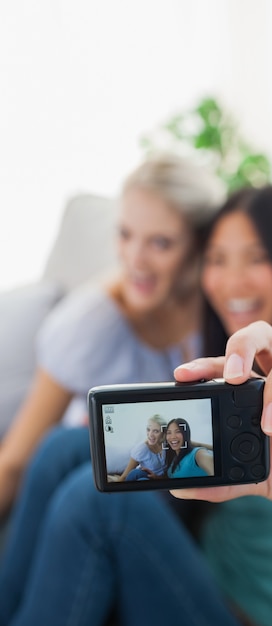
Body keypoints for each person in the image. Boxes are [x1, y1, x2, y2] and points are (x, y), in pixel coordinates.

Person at [0, 185, 272, 626]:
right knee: (65, 447)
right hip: (191, 563)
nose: (232, 281)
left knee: (104, 503)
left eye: (256, 258)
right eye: (217, 260)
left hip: (241, 614)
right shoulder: (237, 360)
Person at [0, 151, 224, 519]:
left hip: (169, 514)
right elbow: (14, 463)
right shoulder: (92, 323)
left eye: (161, 243)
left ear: (200, 247)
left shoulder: (218, 301)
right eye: (125, 234)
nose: (135, 259)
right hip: (81, 503)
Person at [113, 415, 167, 482]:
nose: (150, 435)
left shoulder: (167, 444)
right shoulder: (141, 449)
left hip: (163, 479)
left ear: (163, 432)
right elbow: (125, 476)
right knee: (140, 477)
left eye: (156, 431)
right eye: (148, 430)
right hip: (147, 478)